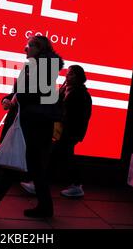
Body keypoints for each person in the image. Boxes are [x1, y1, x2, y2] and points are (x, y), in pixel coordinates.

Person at [0, 36, 64, 218]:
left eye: (30, 45)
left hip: (33, 127)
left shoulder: (44, 68)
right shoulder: (35, 67)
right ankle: (44, 208)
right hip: (33, 126)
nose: (25, 48)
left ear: (39, 48)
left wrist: (15, 99)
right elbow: (24, 92)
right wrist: (8, 98)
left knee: (13, 169)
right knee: (32, 169)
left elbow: (35, 94)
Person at [20, 65, 92, 198]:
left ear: (78, 77)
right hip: (64, 132)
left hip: (69, 132)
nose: (67, 76)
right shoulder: (68, 89)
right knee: (64, 157)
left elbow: (74, 116)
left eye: (70, 74)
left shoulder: (80, 94)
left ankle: (40, 185)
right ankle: (75, 185)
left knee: (53, 157)